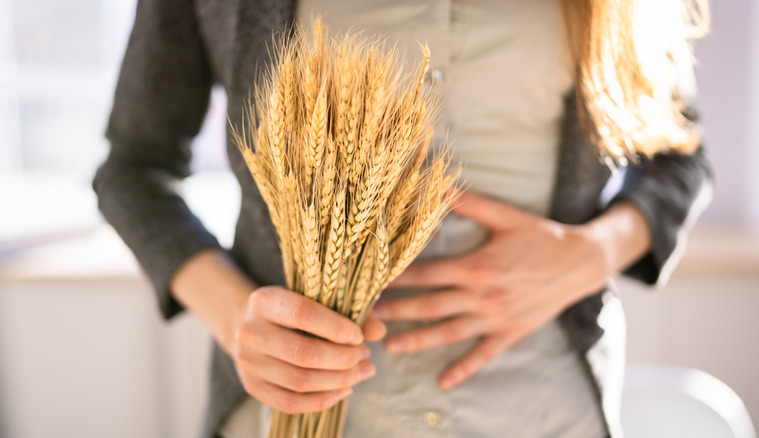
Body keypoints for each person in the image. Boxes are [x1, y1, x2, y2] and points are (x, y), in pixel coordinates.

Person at [93, 0, 712, 437]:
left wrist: (594, 251)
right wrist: (238, 321)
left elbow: (680, 159)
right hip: (299, 421)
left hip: (543, 412)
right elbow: (134, 170)